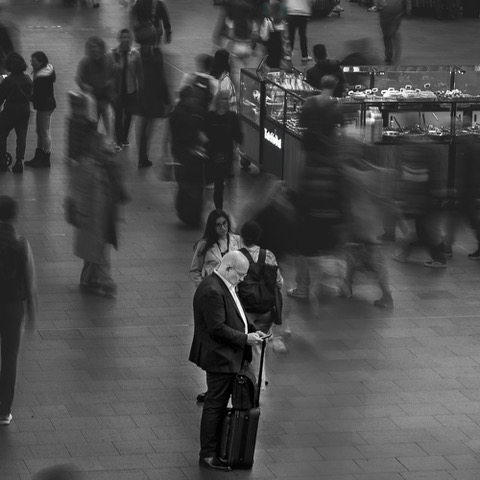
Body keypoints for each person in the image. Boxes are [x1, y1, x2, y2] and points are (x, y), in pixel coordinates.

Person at [189, 250, 266, 471]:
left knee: (218, 403)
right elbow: (217, 328)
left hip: (227, 355)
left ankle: (214, 450)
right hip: (219, 358)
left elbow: (237, 314)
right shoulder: (212, 290)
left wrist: (252, 330)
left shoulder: (225, 285)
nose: (241, 279)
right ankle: (208, 454)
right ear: (228, 268)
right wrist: (245, 338)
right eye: (239, 275)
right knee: (215, 404)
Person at [288, 75, 344, 300]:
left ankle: (303, 287)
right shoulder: (335, 108)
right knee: (325, 249)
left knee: (305, 249)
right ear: (335, 86)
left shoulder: (310, 103)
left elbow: (301, 124)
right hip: (328, 211)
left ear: (320, 85)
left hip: (309, 211)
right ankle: (327, 285)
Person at [69, 134, 129, 297]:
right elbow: (78, 193)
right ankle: (108, 283)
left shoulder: (108, 166)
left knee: (95, 250)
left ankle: (88, 280)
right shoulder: (87, 168)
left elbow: (117, 190)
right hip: (92, 218)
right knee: (99, 251)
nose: (111, 149)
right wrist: (80, 214)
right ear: (97, 150)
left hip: (105, 217)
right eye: (107, 148)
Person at [0, 195, 37, 426]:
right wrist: (32, 311)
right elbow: (30, 281)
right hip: (13, 306)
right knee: (10, 357)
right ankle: (4, 411)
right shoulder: (21, 243)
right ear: (14, 215)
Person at [239, 220, 288, 356]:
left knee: (246, 345)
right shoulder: (268, 255)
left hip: (244, 309)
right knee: (258, 347)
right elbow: (279, 283)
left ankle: (248, 373)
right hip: (266, 310)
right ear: (258, 237)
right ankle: (258, 374)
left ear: (242, 236)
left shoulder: (236, 256)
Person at [169, 86, 206, 227]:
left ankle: (185, 213)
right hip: (192, 154)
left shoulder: (176, 112)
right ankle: (193, 215)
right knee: (194, 185)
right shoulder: (194, 112)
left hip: (180, 153)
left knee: (184, 184)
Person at [75, 36, 117, 150]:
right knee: (91, 125)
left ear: (102, 48)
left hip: (105, 99)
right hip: (91, 101)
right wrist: (84, 86)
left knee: (109, 122)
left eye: (97, 48)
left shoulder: (108, 60)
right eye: (92, 48)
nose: (95, 51)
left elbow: (115, 73)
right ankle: (90, 148)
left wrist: (111, 82)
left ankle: (109, 143)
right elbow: (78, 78)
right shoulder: (85, 62)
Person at [206, 90, 243, 210]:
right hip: (213, 156)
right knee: (218, 185)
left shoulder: (232, 117)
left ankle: (228, 210)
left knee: (229, 185)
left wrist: (236, 145)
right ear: (217, 100)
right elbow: (204, 133)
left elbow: (239, 136)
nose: (226, 101)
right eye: (223, 98)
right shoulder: (210, 116)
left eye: (227, 99)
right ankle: (219, 209)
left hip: (228, 156)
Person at [134, 44, 170, 168]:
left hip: (141, 98)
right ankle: (143, 157)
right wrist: (167, 100)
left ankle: (142, 156)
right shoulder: (157, 59)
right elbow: (162, 81)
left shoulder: (137, 56)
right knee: (148, 128)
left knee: (143, 128)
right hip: (154, 99)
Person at [108, 29, 143, 149]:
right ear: (119, 39)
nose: (125, 39)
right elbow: (109, 73)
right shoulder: (112, 53)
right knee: (118, 116)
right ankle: (118, 139)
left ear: (131, 39)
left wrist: (141, 90)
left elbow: (139, 73)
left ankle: (124, 137)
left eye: (128, 37)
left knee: (129, 115)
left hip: (131, 90)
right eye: (123, 37)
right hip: (117, 91)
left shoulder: (135, 54)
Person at [190, 209, 242, 288]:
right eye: (218, 225)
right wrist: (202, 286)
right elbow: (195, 270)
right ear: (212, 227)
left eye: (224, 223)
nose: (223, 227)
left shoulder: (237, 240)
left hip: (234, 289)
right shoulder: (204, 245)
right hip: (213, 289)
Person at [0, 52, 33, 174]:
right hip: (24, 110)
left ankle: (2, 161)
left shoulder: (8, 81)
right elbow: (30, 95)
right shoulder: (28, 79)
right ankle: (19, 162)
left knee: (1, 134)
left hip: (10, 110)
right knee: (21, 136)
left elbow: (1, 97)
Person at [24, 51, 56, 169]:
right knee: (40, 131)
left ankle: (45, 158)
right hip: (46, 105)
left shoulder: (42, 77)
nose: (32, 64)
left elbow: (38, 94)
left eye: (34, 62)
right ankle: (39, 156)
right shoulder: (45, 71)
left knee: (44, 132)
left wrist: (27, 98)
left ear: (41, 62)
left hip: (45, 106)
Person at [259, 0, 290, 68]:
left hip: (270, 48)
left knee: (269, 66)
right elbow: (286, 37)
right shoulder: (283, 22)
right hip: (279, 48)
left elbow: (264, 37)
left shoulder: (267, 21)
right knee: (277, 66)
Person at [379, 0, 405, 64]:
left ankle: (394, 54)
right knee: (386, 35)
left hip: (396, 14)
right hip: (385, 13)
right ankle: (389, 54)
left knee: (392, 33)